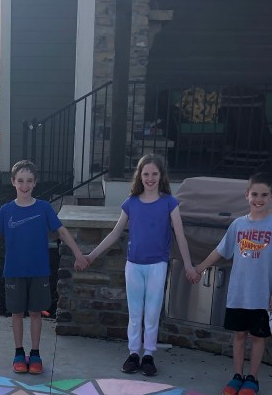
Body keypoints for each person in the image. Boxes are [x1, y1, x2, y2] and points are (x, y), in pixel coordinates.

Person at [84, 154, 198, 377]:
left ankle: (148, 355)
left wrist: (188, 265)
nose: (150, 178)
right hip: (134, 265)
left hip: (157, 265)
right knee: (135, 313)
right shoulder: (131, 203)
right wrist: (92, 255)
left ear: (161, 176)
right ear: (140, 176)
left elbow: (180, 236)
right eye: (146, 174)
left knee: (152, 312)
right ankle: (133, 353)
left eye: (154, 173)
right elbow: (115, 233)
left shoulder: (169, 203)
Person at [0, 159, 87, 375]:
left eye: (29, 181)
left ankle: (35, 353)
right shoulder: (6, 210)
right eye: (20, 180)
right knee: (17, 313)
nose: (25, 185)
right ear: (13, 182)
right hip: (14, 272)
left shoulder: (43, 208)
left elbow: (62, 231)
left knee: (36, 313)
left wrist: (78, 254)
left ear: (35, 182)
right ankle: (19, 352)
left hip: (38, 271)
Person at [193, 172, 272, 395]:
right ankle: (237, 375)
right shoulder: (238, 225)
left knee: (258, 337)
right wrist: (199, 268)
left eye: (264, 195)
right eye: (255, 194)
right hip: (239, 293)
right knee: (239, 335)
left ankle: (252, 378)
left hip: (263, 295)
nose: (259, 199)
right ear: (247, 195)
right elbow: (221, 250)